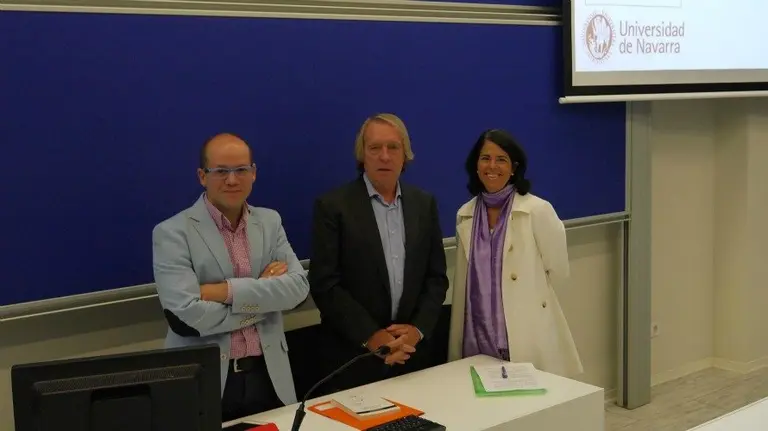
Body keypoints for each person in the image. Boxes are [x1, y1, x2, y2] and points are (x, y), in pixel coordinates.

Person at [152, 133, 309, 421]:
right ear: (202, 176)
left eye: (241, 170)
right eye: (221, 171)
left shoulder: (270, 222)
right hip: (206, 381)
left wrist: (224, 292)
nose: (233, 180)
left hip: (268, 376)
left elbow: (298, 289)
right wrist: (264, 299)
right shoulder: (172, 233)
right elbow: (186, 314)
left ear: (254, 173)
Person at [309, 113, 449, 391]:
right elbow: (325, 283)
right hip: (353, 357)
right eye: (375, 148)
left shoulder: (424, 204)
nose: (384, 156)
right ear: (363, 154)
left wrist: (416, 331)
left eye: (393, 147)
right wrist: (373, 337)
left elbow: (436, 278)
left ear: (405, 154)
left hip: (413, 356)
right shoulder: (333, 207)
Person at [447, 129, 583, 378]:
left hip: (525, 335)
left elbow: (559, 271)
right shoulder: (464, 214)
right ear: (475, 165)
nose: (492, 166)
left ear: (514, 168)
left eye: (502, 159)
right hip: (476, 336)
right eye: (485, 158)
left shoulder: (536, 210)